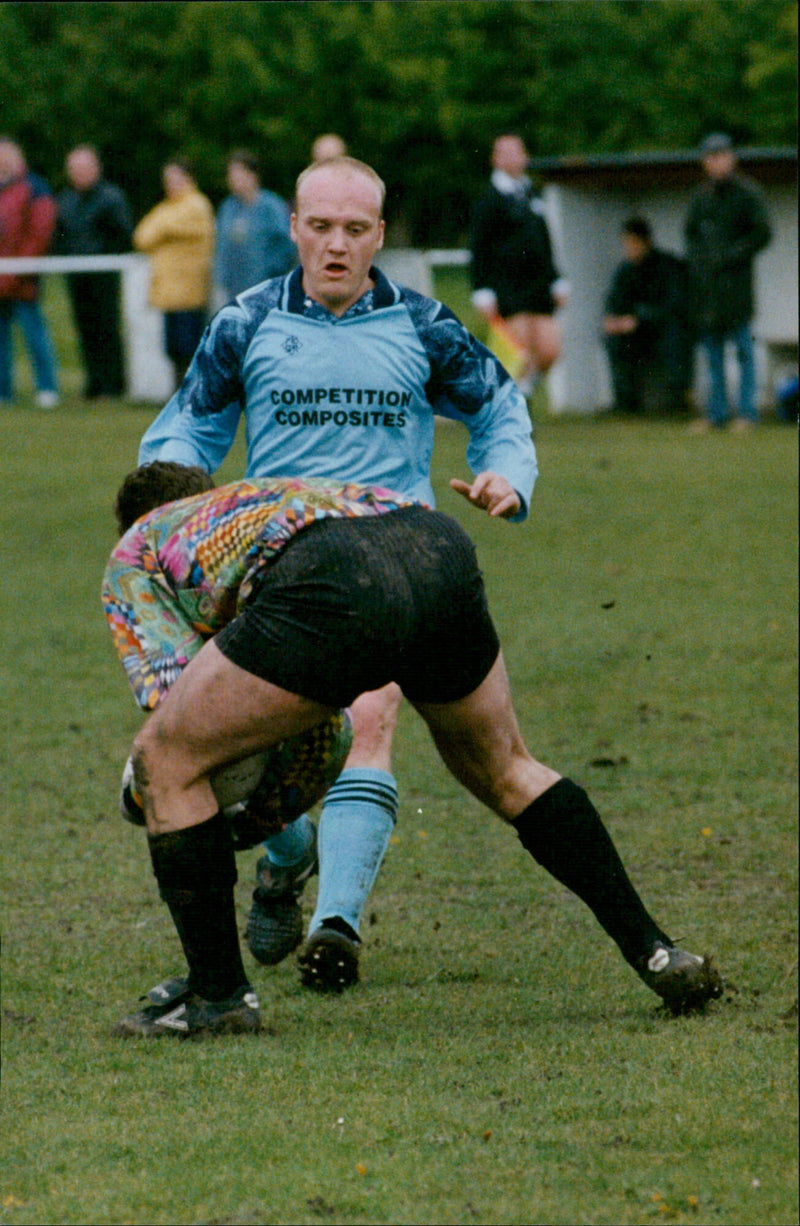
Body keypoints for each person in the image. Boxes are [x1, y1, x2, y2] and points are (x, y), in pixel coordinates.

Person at [104, 462, 723, 1037]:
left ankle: (218, 998)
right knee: (506, 768)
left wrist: (185, 820)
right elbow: (325, 731)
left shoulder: (141, 547)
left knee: (165, 764)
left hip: (332, 572)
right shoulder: (258, 500)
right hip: (432, 544)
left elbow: (176, 711)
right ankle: (659, 952)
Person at [137, 154, 537, 993]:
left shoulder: (425, 326)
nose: (336, 245)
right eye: (320, 227)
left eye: (355, 230)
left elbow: (499, 406)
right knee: (235, 755)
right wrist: (169, 499)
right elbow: (189, 429)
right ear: (294, 228)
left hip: (392, 563)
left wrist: (508, 474)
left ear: (380, 236)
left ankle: (337, 926)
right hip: (276, 566)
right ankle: (287, 855)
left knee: (369, 720)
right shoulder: (245, 324)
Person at [684, 133, 772, 434]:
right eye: (710, 157)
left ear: (731, 158)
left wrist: (732, 256)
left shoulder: (748, 194)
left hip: (737, 288)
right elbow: (691, 236)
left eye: (721, 155)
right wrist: (701, 264)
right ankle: (716, 414)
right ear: (704, 162)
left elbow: (763, 233)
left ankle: (747, 413)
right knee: (712, 355)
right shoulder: (700, 197)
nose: (716, 162)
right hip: (708, 290)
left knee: (745, 351)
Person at [471, 133, 569, 398]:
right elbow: (479, 248)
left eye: (517, 151)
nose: (513, 157)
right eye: (506, 152)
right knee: (519, 351)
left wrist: (557, 279)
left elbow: (545, 241)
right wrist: (482, 290)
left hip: (538, 284)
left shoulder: (531, 193)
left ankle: (520, 389)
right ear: (495, 159)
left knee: (549, 350)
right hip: (507, 287)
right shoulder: (489, 200)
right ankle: (516, 406)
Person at [56, 144, 133, 399]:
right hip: (77, 276)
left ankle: (113, 385)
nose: (78, 173)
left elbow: (122, 235)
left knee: (107, 328)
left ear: (95, 168)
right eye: (73, 169)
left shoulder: (111, 197)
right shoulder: (66, 199)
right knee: (85, 329)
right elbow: (61, 236)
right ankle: (94, 383)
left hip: (104, 275)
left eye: (82, 168)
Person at [133, 158, 214, 388]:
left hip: (189, 292)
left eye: (176, 178)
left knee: (190, 348)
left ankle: (194, 394)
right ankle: (180, 393)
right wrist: (165, 231)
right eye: (168, 179)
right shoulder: (168, 207)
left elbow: (158, 229)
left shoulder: (197, 204)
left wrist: (164, 230)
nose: (171, 184)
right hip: (169, 294)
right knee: (174, 349)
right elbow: (142, 237)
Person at [603, 217, 692, 416]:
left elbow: (674, 305)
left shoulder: (667, 265)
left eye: (633, 243)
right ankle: (625, 402)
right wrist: (612, 319)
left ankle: (677, 401)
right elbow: (614, 300)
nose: (629, 248)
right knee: (613, 339)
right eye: (626, 243)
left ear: (646, 242)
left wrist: (640, 318)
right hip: (637, 334)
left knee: (676, 337)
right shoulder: (625, 270)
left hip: (663, 328)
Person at [0, 137, 60, 408]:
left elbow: (39, 234)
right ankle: (4, 391)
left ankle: (47, 388)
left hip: (24, 280)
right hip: (2, 280)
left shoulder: (34, 188)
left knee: (34, 334)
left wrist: (13, 273)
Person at [213, 149, 295, 305]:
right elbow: (220, 246)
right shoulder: (228, 207)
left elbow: (286, 244)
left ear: (252, 175)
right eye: (230, 175)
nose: (232, 179)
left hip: (265, 289)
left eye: (237, 174)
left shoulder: (271, 206)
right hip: (234, 291)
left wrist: (273, 271)